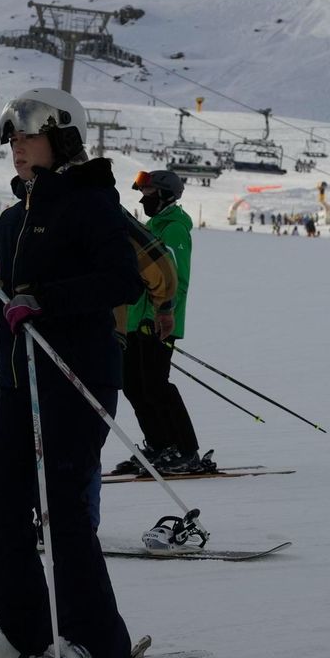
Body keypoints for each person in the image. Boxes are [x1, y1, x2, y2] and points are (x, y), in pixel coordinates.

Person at [0, 87, 142, 658]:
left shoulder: (92, 204)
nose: (16, 149)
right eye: (12, 140)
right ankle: (24, 633)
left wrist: (45, 301)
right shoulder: (14, 217)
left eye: (27, 137)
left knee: (65, 514)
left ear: (63, 138)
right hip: (20, 381)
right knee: (4, 504)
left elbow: (121, 281)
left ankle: (99, 645)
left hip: (76, 377)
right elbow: (12, 305)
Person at [112, 170, 209, 476]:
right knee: (133, 386)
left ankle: (186, 451)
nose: (143, 199)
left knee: (156, 386)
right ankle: (160, 446)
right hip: (136, 321)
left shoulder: (175, 230)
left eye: (149, 193)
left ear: (166, 195)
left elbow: (176, 280)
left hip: (158, 322)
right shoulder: (152, 227)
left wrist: (160, 314)